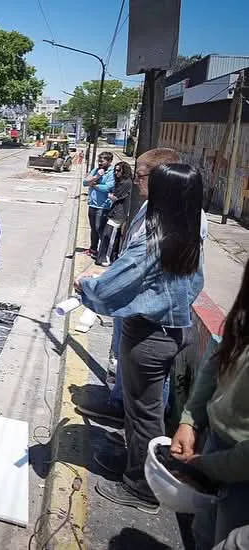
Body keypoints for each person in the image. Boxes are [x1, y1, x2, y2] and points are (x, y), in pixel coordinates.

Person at [76, 163, 205, 513]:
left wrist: (86, 284)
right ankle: (134, 462)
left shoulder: (154, 239)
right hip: (174, 330)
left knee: (143, 413)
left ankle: (141, 486)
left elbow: (110, 287)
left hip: (148, 336)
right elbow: (194, 286)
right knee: (145, 409)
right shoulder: (190, 231)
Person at [75, 148, 183, 427]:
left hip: (150, 317)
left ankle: (136, 455)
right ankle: (120, 404)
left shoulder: (166, 221)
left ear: (161, 178)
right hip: (138, 310)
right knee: (133, 376)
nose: (136, 180)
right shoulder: (154, 207)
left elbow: (137, 265)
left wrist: (92, 289)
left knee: (146, 401)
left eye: (142, 175)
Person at [171, 258, 249, 550]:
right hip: (217, 447)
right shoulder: (243, 314)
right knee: (203, 533)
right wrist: (189, 421)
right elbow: (217, 358)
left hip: (240, 473)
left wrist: (203, 467)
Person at [96, 161, 133, 267]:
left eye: (118, 170)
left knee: (109, 235)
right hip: (115, 211)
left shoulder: (126, 183)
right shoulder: (121, 181)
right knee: (108, 235)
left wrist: (109, 195)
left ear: (124, 171)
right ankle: (105, 257)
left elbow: (115, 197)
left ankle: (107, 258)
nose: (116, 173)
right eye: (115, 170)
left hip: (119, 213)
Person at [82, 151, 115, 257]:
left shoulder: (112, 173)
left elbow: (107, 188)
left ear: (109, 161)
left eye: (102, 161)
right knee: (93, 228)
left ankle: (103, 252)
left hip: (103, 206)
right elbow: (85, 182)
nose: (99, 163)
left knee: (100, 229)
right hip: (93, 204)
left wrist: (94, 185)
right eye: (98, 161)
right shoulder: (96, 170)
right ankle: (93, 249)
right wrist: (96, 177)